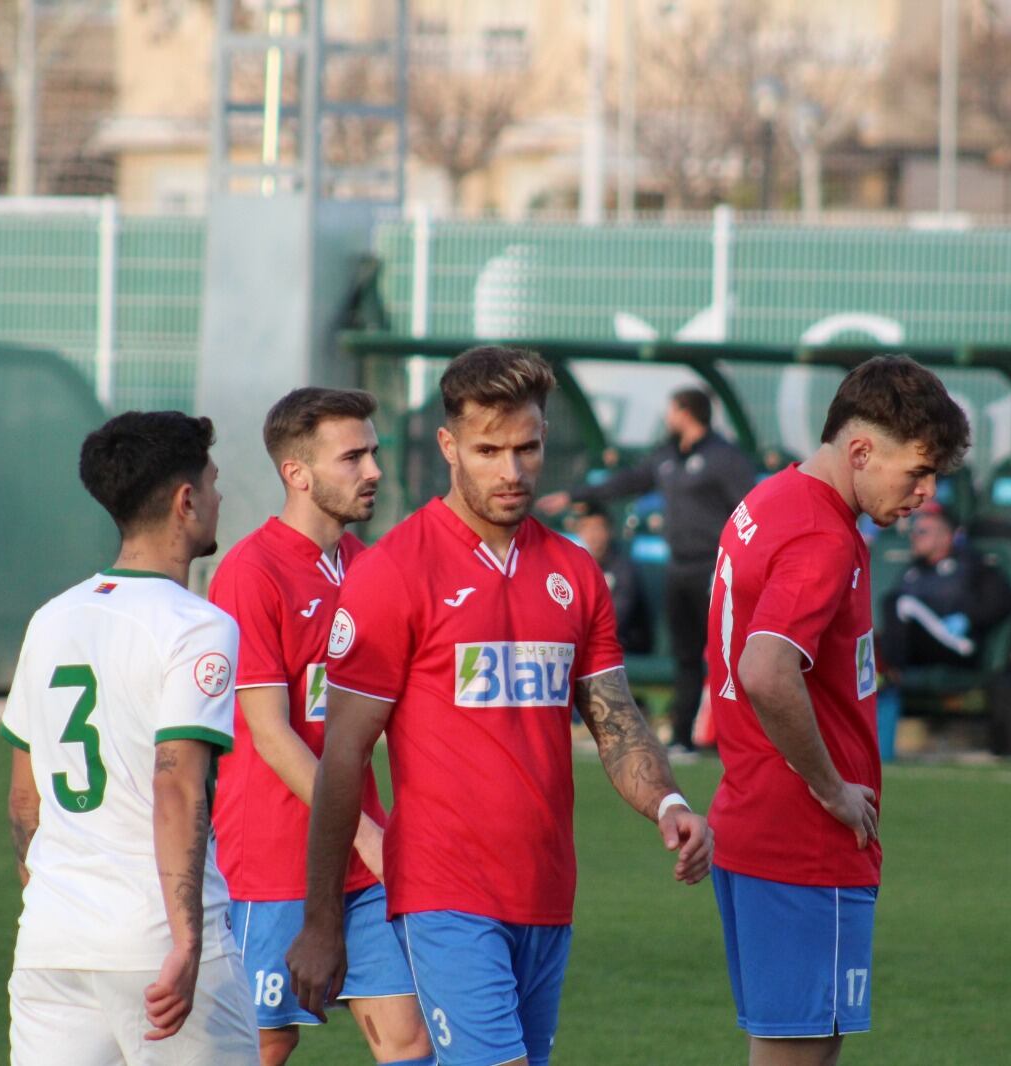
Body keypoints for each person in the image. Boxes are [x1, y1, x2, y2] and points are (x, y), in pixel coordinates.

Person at [287, 346, 713, 1066]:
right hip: (445, 892)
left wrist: (669, 804)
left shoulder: (575, 572)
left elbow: (614, 718)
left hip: (547, 895)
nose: (511, 472)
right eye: (489, 450)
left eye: (527, 448)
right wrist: (322, 919)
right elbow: (344, 757)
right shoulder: (394, 572)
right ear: (450, 446)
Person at [706, 355, 970, 1066]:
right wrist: (832, 790)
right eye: (915, 472)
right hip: (802, 838)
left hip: (754, 815)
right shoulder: (823, 535)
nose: (926, 493)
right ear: (860, 451)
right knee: (800, 1053)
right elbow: (766, 671)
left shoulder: (772, 498)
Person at [1, 411, 258, 1065]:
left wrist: (54, 908)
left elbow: (24, 800)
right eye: (214, 481)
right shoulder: (198, 627)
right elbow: (176, 785)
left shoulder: (50, 618)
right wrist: (188, 941)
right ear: (185, 500)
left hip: (52, 944)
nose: (220, 497)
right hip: (151, 945)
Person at [207, 388, 430, 1066]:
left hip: (362, 866)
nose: (373, 472)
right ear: (297, 474)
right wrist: (366, 834)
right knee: (266, 1044)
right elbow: (270, 733)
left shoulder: (373, 568)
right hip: (272, 861)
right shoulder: (251, 572)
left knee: (409, 1040)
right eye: (352, 457)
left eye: (374, 453)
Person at [538, 387, 757, 754]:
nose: (667, 418)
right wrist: (577, 495)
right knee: (685, 655)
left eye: (671, 410)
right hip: (678, 569)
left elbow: (749, 507)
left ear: (685, 413)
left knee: (728, 654)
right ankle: (685, 739)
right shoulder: (667, 456)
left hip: (717, 569)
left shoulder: (724, 458)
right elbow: (630, 481)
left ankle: (741, 739)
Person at [879, 503, 1011, 672]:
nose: (914, 537)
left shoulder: (969, 564)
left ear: (946, 537)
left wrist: (968, 618)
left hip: (958, 645)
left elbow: (1003, 599)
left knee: (900, 603)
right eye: (913, 531)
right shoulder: (914, 570)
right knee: (891, 608)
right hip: (921, 644)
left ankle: (888, 672)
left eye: (923, 532)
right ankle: (886, 673)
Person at [569, 502, 652, 655]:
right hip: (585, 644)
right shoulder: (574, 567)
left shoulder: (624, 569)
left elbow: (616, 620)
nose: (593, 536)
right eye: (586, 528)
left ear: (610, 531)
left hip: (625, 648)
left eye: (598, 528)